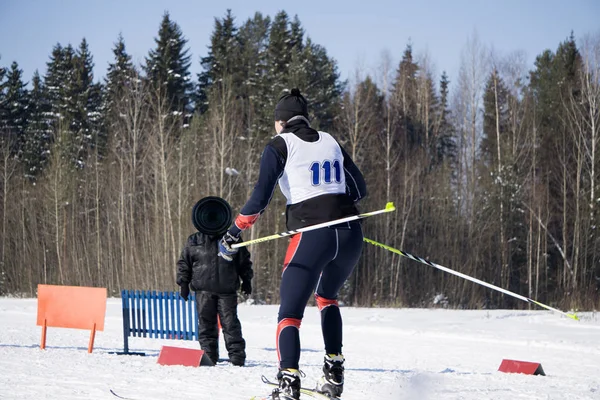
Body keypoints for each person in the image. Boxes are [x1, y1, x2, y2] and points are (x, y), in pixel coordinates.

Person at [218, 88, 367, 399]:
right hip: (351, 232)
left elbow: (260, 199)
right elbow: (359, 189)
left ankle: (289, 381)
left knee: (289, 312)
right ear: (306, 118)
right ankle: (334, 370)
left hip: (312, 234)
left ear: (279, 122)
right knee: (327, 297)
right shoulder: (330, 141)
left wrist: (234, 231)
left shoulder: (278, 145)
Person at [177, 197, 253, 367]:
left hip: (227, 290)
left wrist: (246, 279)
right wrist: (183, 284)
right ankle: (208, 357)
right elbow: (184, 263)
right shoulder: (194, 241)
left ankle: (237, 358)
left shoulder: (231, 239)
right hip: (203, 290)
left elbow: (244, 261)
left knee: (230, 324)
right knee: (206, 326)